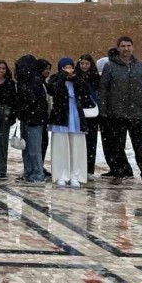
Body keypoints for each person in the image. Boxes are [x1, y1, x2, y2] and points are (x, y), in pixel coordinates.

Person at [99, 36, 142, 188]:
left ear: (132, 47)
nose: (126, 49)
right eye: (123, 46)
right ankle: (118, 173)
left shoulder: (141, 67)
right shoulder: (110, 67)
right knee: (117, 146)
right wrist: (103, 111)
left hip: (137, 114)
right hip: (116, 114)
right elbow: (103, 90)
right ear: (118, 48)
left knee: (140, 147)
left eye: (128, 46)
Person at [47, 57, 95, 187]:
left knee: (77, 147)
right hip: (60, 116)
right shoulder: (55, 79)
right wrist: (63, 76)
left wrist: (74, 79)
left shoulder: (78, 79)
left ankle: (76, 174)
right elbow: (52, 90)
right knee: (61, 146)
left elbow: (85, 93)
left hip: (76, 115)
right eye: (65, 67)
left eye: (70, 67)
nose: (68, 69)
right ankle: (61, 174)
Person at [13, 55, 49, 184]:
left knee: (33, 149)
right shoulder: (28, 80)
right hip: (28, 118)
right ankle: (29, 172)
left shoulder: (34, 81)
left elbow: (33, 100)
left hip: (34, 119)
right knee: (27, 148)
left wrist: (24, 110)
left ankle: (37, 173)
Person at [77, 54, 102, 179]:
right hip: (79, 114)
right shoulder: (75, 77)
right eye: (82, 64)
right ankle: (79, 168)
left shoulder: (95, 78)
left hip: (92, 114)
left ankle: (89, 169)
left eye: (87, 64)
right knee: (79, 142)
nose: (84, 66)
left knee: (91, 142)